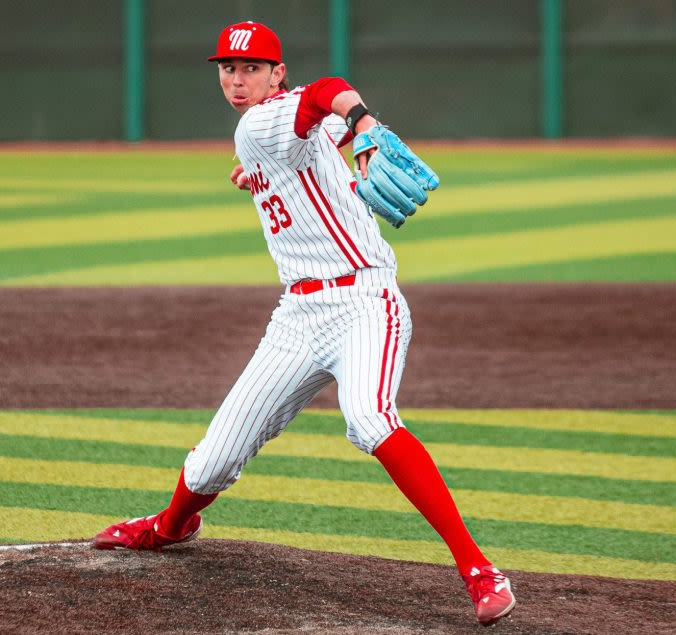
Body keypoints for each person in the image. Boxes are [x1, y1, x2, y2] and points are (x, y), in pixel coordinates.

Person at [94, 20, 516, 626]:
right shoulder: (272, 129)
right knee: (213, 461)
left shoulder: (268, 118)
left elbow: (327, 90)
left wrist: (364, 121)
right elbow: (308, 130)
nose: (237, 81)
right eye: (228, 70)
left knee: (371, 420)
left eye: (251, 70)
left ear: (276, 74)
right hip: (298, 315)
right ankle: (168, 527)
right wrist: (267, 174)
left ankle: (479, 570)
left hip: (365, 302)